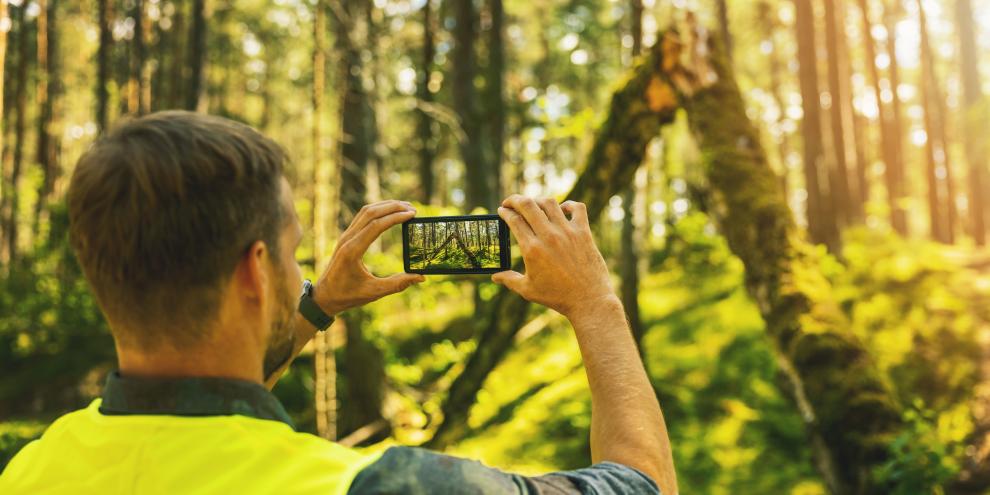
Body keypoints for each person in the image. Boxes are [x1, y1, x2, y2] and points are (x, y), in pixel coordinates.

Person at [0, 111, 677, 495]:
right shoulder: (365, 485)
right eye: (292, 253)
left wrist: (317, 303)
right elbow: (641, 485)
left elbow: (194, 398)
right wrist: (595, 305)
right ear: (255, 273)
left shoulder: (35, 467)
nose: (303, 269)